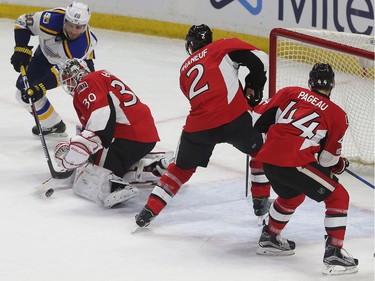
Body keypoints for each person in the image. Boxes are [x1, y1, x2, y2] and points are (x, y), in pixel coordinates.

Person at [135, 24, 271, 227]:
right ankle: (261, 204)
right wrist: (254, 86)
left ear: (190, 45)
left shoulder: (184, 69)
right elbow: (261, 58)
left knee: (179, 169)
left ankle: (148, 212)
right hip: (235, 119)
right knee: (263, 152)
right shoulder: (222, 47)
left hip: (199, 127)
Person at [252, 63, 358, 275]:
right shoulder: (338, 115)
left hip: (268, 160)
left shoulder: (289, 92)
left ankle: (271, 236)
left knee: (293, 196)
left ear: (310, 82)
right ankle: (334, 255)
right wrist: (340, 165)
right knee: (339, 196)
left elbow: (257, 119)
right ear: (333, 84)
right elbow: (328, 160)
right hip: (293, 163)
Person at [51, 58, 173, 208]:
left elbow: (102, 116)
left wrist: (81, 149)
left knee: (89, 172)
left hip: (126, 135)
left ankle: (114, 187)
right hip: (144, 134)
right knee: (113, 165)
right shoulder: (101, 75)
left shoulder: (84, 84)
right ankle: (155, 166)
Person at [10, 1, 98, 136]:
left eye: (79, 27)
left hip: (78, 65)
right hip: (45, 55)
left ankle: (101, 134)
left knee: (90, 99)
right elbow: (23, 21)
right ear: (65, 20)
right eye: (71, 25)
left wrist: (42, 86)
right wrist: (21, 47)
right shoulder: (50, 19)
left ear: (85, 25)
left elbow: (65, 73)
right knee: (24, 93)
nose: (73, 31)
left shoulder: (80, 46)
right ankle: (53, 124)